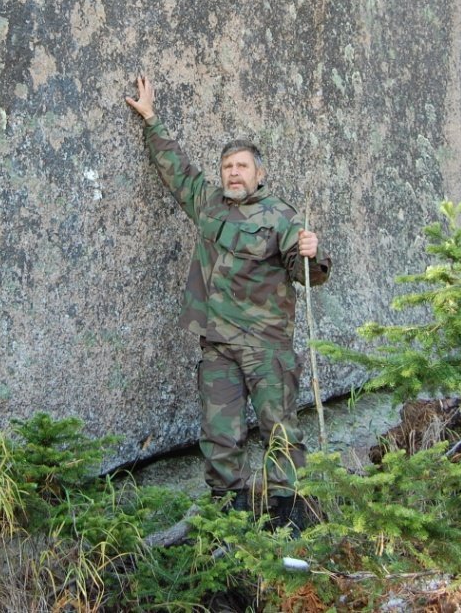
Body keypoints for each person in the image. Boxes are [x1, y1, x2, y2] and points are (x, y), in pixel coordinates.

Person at [125, 75, 331, 531]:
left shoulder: (281, 216)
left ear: (259, 173)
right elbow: (175, 168)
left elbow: (306, 277)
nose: (233, 174)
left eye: (241, 166)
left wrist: (314, 255)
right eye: (227, 168)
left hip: (266, 347)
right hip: (217, 345)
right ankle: (228, 526)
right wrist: (150, 119)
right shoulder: (208, 203)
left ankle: (289, 521)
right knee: (221, 438)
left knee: (280, 433)